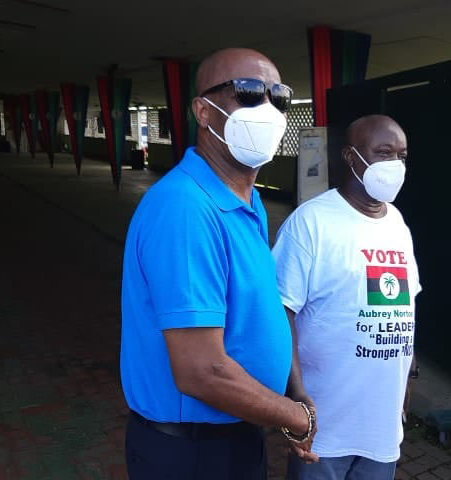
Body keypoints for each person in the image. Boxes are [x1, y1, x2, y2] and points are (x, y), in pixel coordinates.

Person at [120, 48, 317, 480]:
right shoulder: (186, 208)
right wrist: (294, 416)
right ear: (203, 112)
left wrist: (291, 392)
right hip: (192, 454)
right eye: (247, 93)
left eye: (277, 96)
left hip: (235, 436)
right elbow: (201, 370)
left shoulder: (249, 199)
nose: (266, 108)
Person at [272, 115, 421, 480]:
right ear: (351, 157)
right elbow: (279, 313)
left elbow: (406, 307)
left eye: (401, 155)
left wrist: (408, 381)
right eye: (383, 152)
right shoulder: (310, 223)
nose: (394, 165)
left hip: (381, 428)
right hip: (324, 427)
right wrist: (294, 399)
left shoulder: (398, 224)